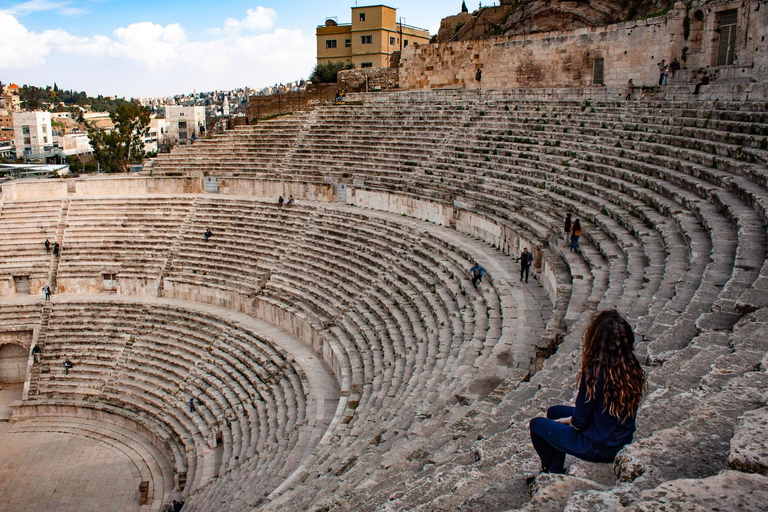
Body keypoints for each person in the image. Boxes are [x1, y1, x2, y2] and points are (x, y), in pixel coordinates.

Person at [528, 310, 646, 479]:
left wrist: (569, 421)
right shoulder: (630, 367)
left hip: (597, 446)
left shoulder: (595, 373)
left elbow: (580, 421)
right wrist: (568, 420)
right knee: (554, 411)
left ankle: (547, 472)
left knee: (537, 425)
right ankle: (555, 469)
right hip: (619, 438)